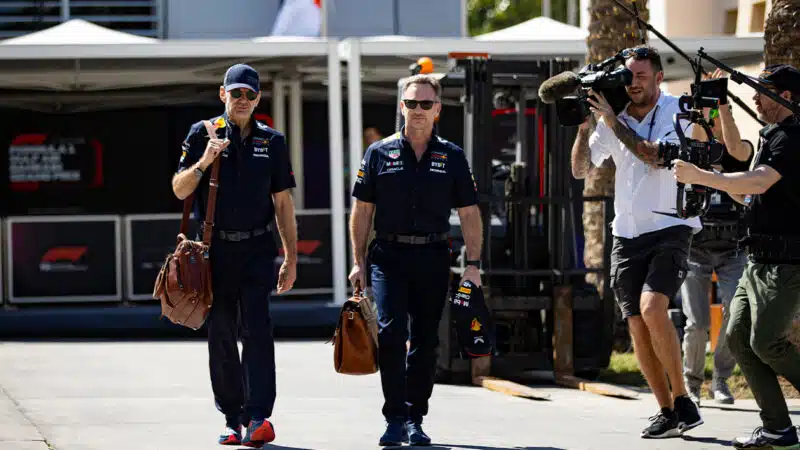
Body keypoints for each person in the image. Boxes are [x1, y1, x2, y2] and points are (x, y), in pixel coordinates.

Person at [570, 45, 704, 439]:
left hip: (670, 225)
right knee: (635, 323)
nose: (632, 84)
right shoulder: (615, 117)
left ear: (659, 78)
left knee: (652, 306)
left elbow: (651, 155)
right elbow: (580, 170)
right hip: (626, 232)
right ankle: (666, 409)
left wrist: (612, 123)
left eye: (641, 77)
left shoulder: (676, 111)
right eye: (628, 77)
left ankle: (683, 398)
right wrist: (583, 126)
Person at [349, 74, 483, 447]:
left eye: (426, 104)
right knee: (391, 333)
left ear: (438, 110)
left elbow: (470, 213)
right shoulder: (378, 153)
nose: (418, 110)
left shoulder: (452, 157)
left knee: (426, 340)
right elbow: (361, 211)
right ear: (401, 107)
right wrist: (358, 261)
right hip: (388, 256)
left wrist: (473, 263)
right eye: (412, 103)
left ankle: (414, 417)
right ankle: (393, 418)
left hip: (433, 255)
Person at [673, 63, 800, 449]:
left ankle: (778, 427)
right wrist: (720, 107)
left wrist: (704, 177)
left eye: (763, 90)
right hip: (757, 259)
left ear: (787, 97)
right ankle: (778, 428)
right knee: (738, 338)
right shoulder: (771, 135)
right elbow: (750, 183)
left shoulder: (794, 138)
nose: (756, 96)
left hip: (786, 262)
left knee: (766, 342)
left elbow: (760, 178)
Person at [171, 63, 298, 448]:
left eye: (250, 95)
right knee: (222, 333)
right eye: (236, 93)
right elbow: (179, 189)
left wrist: (291, 258)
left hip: (258, 250)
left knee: (258, 330)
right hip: (215, 252)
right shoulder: (202, 133)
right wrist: (205, 160)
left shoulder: (271, 141)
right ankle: (232, 418)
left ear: (258, 99)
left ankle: (259, 416)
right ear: (222, 93)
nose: (243, 100)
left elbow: (283, 203)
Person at [681, 71, 753, 406]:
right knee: (696, 323)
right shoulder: (696, 155)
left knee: (732, 315)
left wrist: (722, 103)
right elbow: (698, 140)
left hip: (733, 248)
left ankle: (721, 380)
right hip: (696, 247)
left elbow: (736, 148)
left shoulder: (740, 155)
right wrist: (703, 106)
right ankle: (692, 382)